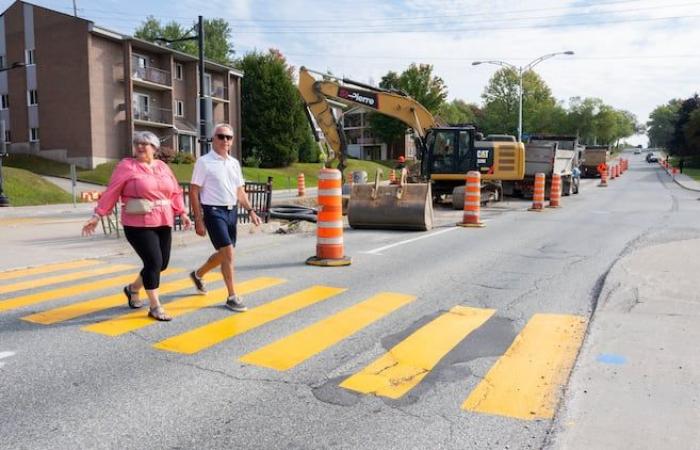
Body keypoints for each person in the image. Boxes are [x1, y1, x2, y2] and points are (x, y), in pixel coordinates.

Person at [82, 131, 191, 321]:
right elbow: (111, 191)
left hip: (163, 220)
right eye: (137, 143)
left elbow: (175, 192)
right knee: (153, 262)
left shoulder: (163, 167)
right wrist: (97, 215)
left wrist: (182, 212)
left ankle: (133, 289)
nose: (140, 147)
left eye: (145, 144)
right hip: (138, 223)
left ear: (155, 148)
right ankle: (155, 306)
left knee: (161, 264)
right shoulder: (127, 166)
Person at [188, 123, 261, 312]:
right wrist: (198, 219)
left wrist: (251, 211)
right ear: (214, 139)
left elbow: (240, 191)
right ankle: (232, 296)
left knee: (224, 254)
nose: (225, 140)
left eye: (229, 137)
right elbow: (194, 191)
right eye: (221, 136)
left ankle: (198, 274)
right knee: (228, 253)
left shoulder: (234, 163)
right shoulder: (204, 162)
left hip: (231, 212)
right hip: (213, 211)